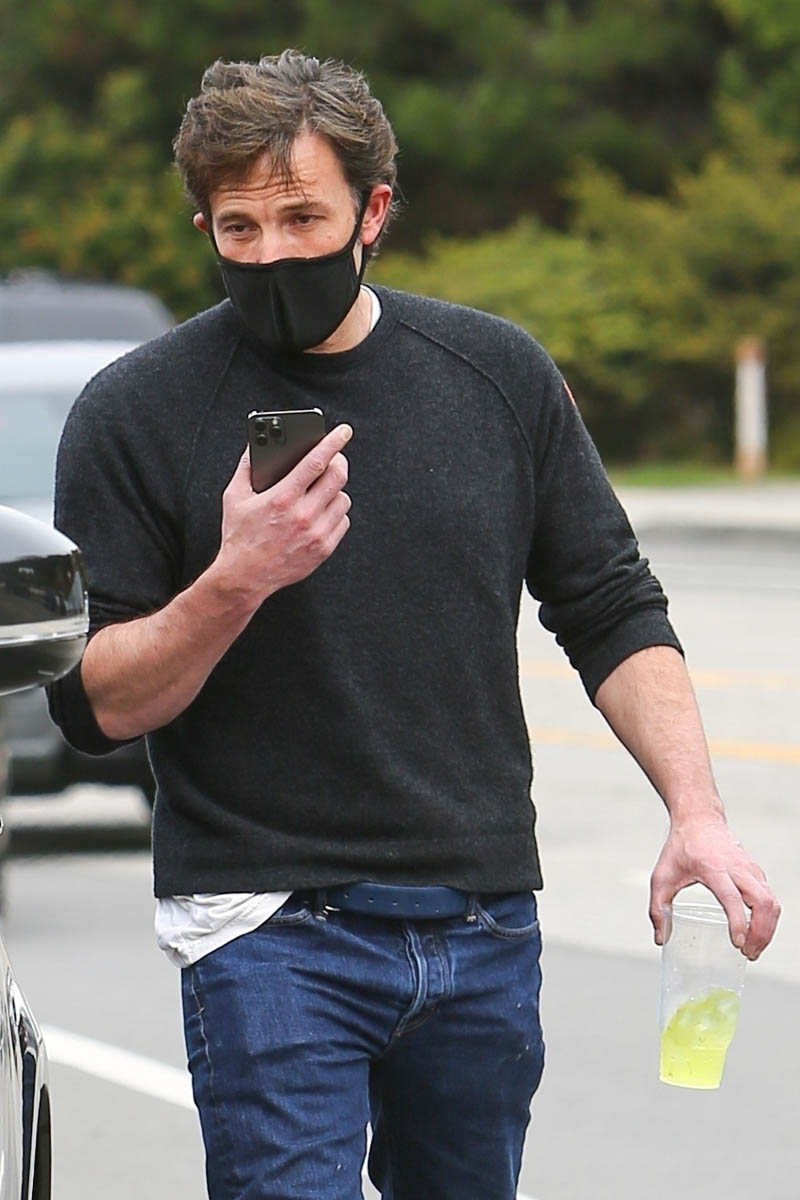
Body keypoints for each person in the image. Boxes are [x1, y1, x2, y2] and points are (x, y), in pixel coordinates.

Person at [48, 50, 780, 1200]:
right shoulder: (136, 411)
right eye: (239, 228)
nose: (271, 254)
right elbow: (94, 706)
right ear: (204, 227)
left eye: (302, 217)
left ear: (373, 211)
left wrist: (696, 814)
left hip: (480, 920)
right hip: (264, 924)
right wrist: (237, 576)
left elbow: (608, 604)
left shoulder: (494, 376)